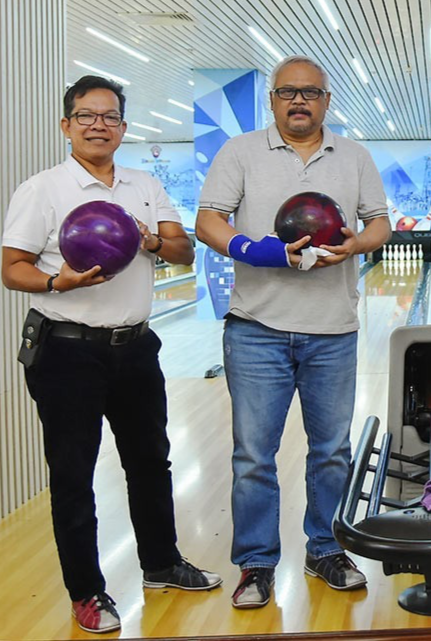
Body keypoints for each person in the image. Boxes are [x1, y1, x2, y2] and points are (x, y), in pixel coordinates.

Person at [1, 75, 221, 634]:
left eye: (109, 117)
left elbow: (183, 249)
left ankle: (162, 564)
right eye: (86, 115)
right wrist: (57, 284)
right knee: (73, 475)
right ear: (66, 125)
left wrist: (150, 240)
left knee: (151, 462)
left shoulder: (144, 184)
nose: (98, 124)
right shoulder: (43, 189)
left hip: (136, 347)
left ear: (123, 127)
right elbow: (11, 267)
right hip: (68, 352)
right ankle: (88, 592)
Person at [195, 55, 391, 609]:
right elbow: (208, 219)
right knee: (253, 455)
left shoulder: (353, 156)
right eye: (287, 92)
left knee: (332, 451)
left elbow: (378, 221)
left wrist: (357, 244)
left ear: (326, 100)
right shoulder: (240, 152)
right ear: (273, 100)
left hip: (332, 329)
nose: (299, 100)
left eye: (310, 92)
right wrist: (253, 249)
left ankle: (326, 548)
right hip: (256, 328)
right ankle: (256, 564)